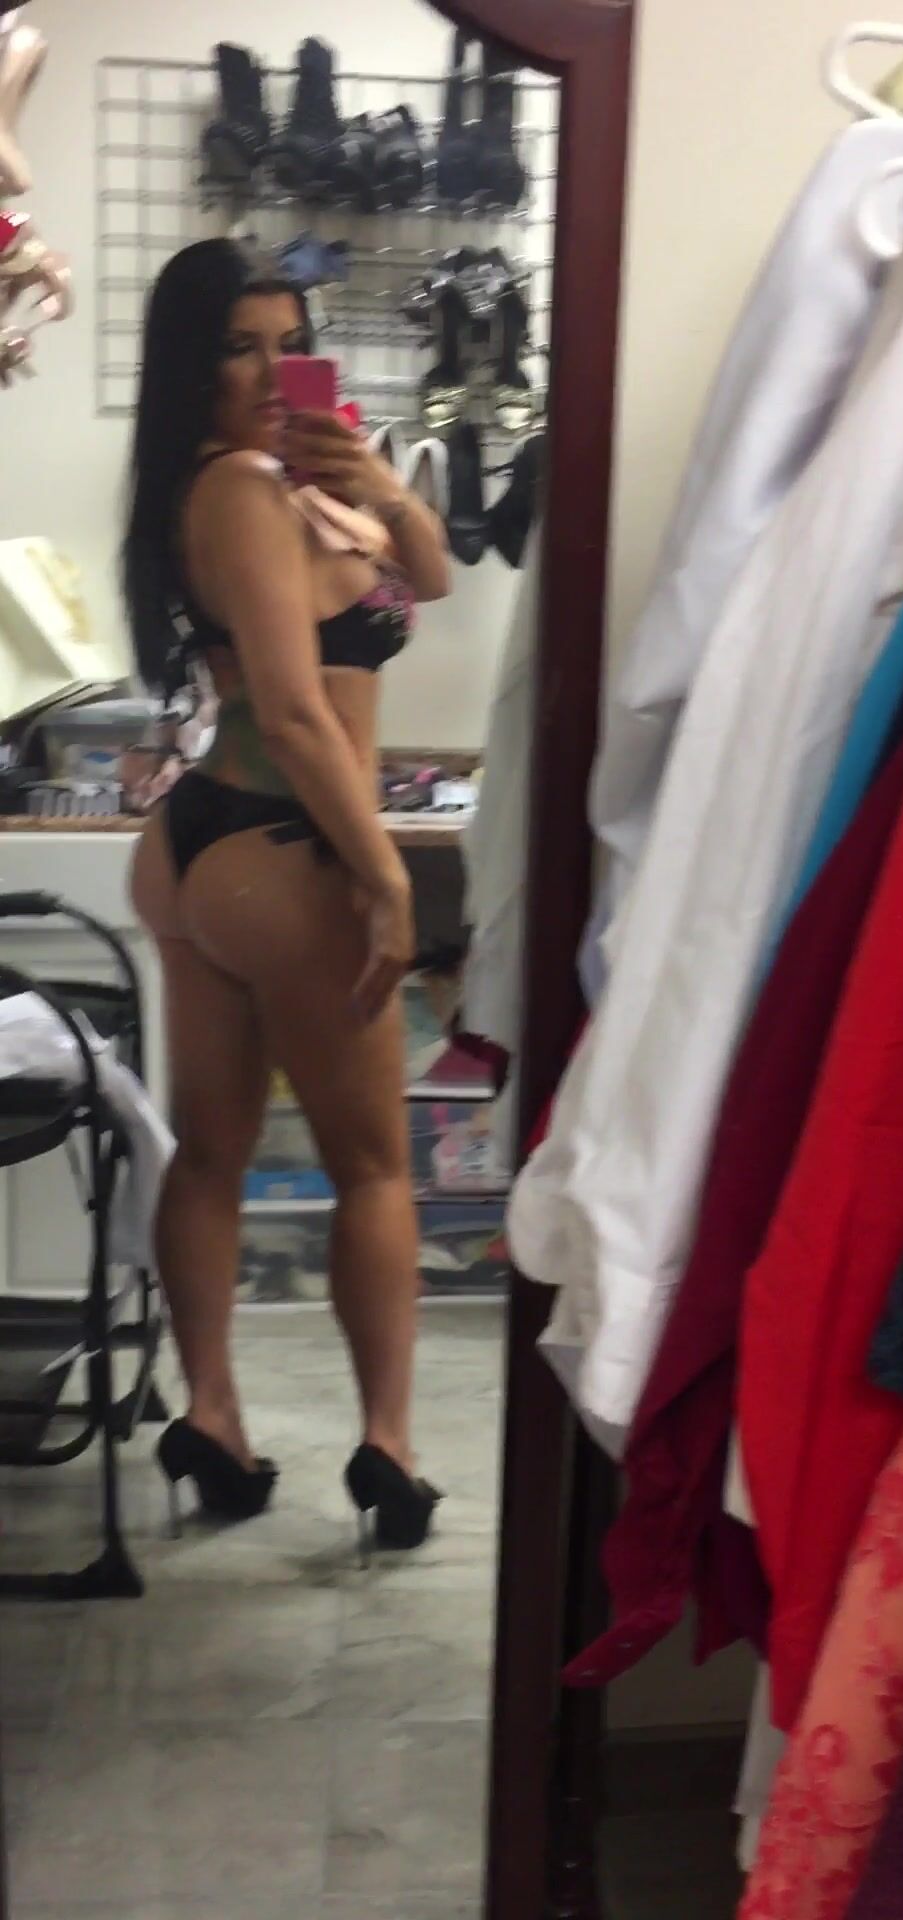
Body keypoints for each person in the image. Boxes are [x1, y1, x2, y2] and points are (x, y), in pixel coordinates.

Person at [126, 238, 451, 1551]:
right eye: (238, 349)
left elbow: (432, 573)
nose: (270, 372)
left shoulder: (291, 483)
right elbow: (303, 716)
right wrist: (387, 879)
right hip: (287, 847)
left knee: (210, 1150)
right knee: (373, 1166)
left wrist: (373, 479)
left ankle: (211, 1416)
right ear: (190, 370)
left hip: (204, 847)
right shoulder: (245, 493)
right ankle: (390, 1448)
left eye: (289, 344)